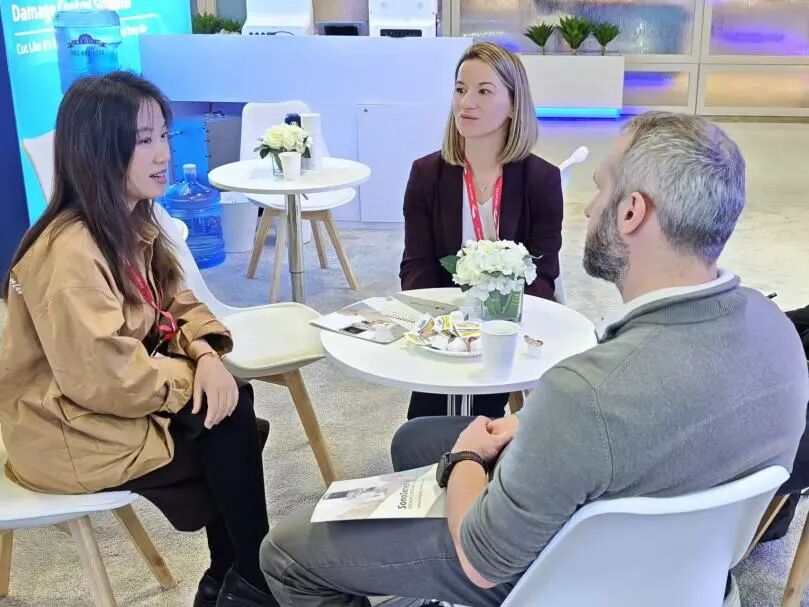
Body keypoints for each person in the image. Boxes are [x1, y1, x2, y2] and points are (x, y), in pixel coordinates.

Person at [259, 112, 809, 607]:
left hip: (559, 576)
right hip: (681, 573)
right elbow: (656, 412)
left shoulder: (585, 390)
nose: (590, 207)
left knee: (285, 550)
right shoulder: (777, 332)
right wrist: (536, 424)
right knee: (416, 438)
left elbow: (482, 559)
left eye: (601, 189)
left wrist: (465, 458)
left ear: (632, 212)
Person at [0, 73, 278, 607]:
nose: (163, 154)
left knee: (228, 412)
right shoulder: (71, 253)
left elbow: (176, 302)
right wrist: (197, 375)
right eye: (142, 140)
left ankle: (240, 580)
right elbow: (109, 379)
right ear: (97, 151)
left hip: (92, 405)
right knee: (229, 430)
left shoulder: (127, 221)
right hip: (63, 427)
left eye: (163, 135)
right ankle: (247, 579)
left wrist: (204, 354)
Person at [399, 42, 563, 419]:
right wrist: (446, 329)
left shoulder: (541, 179)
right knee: (426, 418)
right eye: (460, 89)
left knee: (479, 408)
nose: (466, 103)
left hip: (506, 323)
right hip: (447, 324)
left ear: (514, 105)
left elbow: (542, 275)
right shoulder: (426, 175)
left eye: (484, 91)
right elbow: (417, 267)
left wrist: (500, 328)